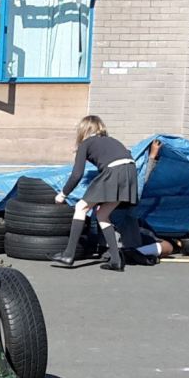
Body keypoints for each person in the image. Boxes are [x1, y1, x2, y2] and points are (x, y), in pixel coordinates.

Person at [48, 115, 138, 272]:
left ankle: (68, 255)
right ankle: (116, 261)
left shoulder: (86, 143)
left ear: (84, 130)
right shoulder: (111, 141)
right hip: (130, 172)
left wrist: (63, 194)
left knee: (81, 207)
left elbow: (77, 174)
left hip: (114, 171)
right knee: (103, 214)